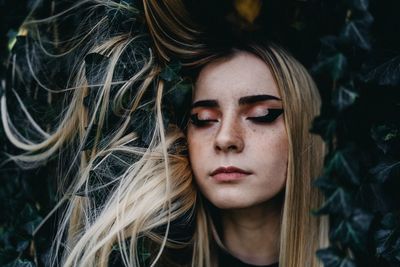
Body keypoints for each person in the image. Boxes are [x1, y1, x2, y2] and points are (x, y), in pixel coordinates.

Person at [1, 1, 328, 266]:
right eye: (203, 118)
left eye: (261, 115)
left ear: (304, 128)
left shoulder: (360, 252)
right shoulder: (151, 256)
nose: (226, 138)